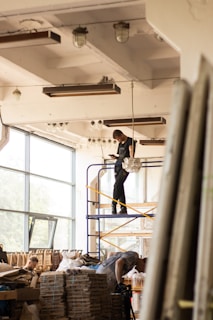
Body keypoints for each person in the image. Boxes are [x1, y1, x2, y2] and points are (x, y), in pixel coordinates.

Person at [110, 130, 136, 214]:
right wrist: (115, 157)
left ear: (121, 135)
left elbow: (131, 154)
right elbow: (121, 156)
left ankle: (113, 204)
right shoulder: (120, 144)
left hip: (125, 167)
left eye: (118, 139)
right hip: (118, 166)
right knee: (120, 186)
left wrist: (132, 154)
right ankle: (123, 208)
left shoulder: (130, 141)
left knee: (117, 185)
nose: (118, 141)